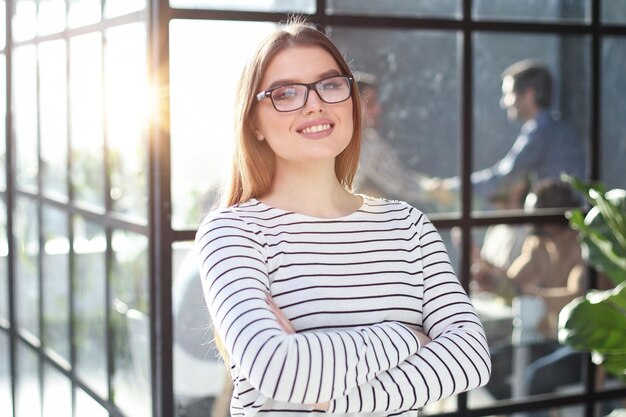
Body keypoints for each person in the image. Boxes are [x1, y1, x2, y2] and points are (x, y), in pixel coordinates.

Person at [194, 19, 491, 417]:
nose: (314, 103)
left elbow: (471, 358)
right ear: (254, 123)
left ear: (351, 101)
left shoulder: (409, 227)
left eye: (330, 85)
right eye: (286, 93)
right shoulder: (233, 233)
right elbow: (277, 368)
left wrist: (330, 398)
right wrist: (406, 338)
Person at [425, 59, 585, 208]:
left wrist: (449, 188)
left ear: (529, 95)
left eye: (508, 94)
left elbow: (504, 179)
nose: (504, 102)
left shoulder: (542, 131)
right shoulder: (554, 128)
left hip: (563, 223)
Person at [481, 179, 585, 401]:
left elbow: (576, 298)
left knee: (537, 376)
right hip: (549, 340)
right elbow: (512, 282)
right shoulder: (540, 244)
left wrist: (527, 293)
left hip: (583, 345)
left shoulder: (583, 246)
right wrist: (490, 278)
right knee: (485, 366)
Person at [353, 71, 430, 207]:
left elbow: (401, 181)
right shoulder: (326, 142)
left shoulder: (370, 144)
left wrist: (434, 190)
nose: (378, 110)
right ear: (350, 106)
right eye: (370, 103)